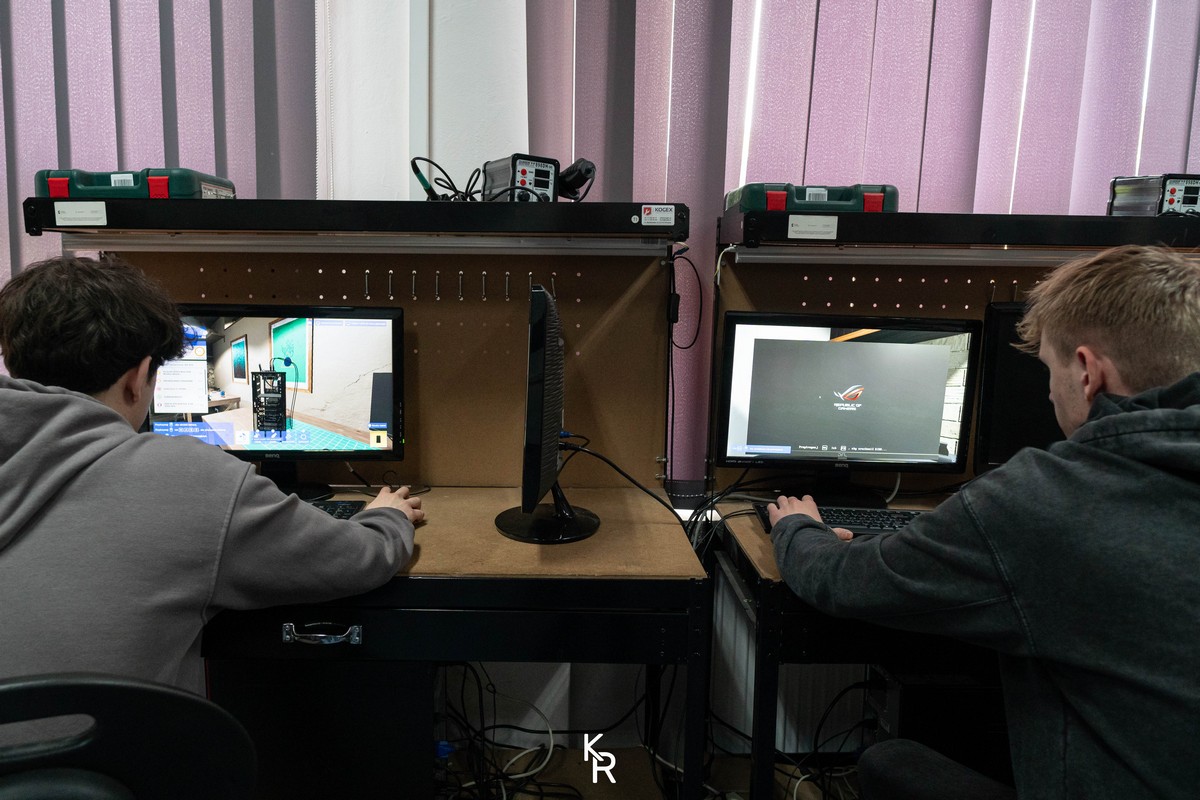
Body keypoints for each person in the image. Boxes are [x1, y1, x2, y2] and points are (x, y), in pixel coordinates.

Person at [767, 244, 1200, 799]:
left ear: (1088, 372)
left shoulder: (1045, 498)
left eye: (1049, 370)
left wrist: (798, 529)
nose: (1048, 391)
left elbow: (844, 581)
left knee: (889, 763)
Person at [0, 255, 424, 697]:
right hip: (114, 741)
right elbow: (359, 559)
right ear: (138, 378)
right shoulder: (186, 479)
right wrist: (388, 515)